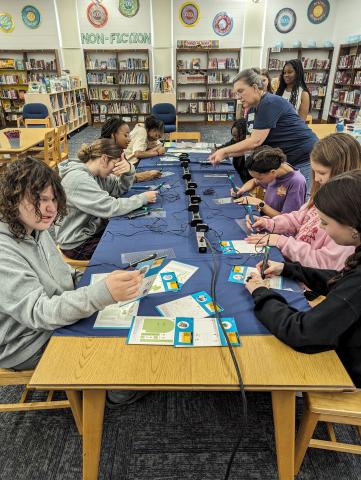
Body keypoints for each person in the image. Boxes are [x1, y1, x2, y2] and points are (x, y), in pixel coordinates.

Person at [0, 158, 142, 373]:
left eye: (54, 200)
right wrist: (100, 293)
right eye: (40, 200)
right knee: (123, 361)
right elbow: (40, 313)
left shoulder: (34, 227)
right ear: (12, 198)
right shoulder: (4, 250)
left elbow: (63, 275)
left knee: (124, 324)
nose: (50, 209)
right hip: (27, 344)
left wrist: (99, 283)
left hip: (51, 321)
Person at [245, 169, 361, 388]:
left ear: (353, 227)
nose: (323, 229)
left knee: (265, 356)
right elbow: (340, 279)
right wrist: (289, 269)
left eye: (325, 223)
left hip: (348, 368)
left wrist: (261, 293)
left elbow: (302, 332)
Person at [244, 133, 361, 270]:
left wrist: (282, 242)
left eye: (322, 173)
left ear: (343, 171)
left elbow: (324, 264)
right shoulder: (321, 196)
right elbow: (297, 218)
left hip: (306, 278)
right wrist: (268, 223)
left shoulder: (347, 220)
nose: (316, 179)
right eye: (314, 171)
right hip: (294, 265)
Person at [209, 69, 317, 184]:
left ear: (255, 88)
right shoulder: (252, 109)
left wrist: (224, 151)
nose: (238, 97)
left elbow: (255, 141)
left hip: (305, 159)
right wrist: (223, 153)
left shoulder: (269, 103)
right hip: (288, 160)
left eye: (241, 91)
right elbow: (249, 145)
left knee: (302, 199)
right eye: (236, 93)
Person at [57, 138, 158, 260]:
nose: (114, 169)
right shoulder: (79, 179)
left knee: (132, 233)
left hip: (91, 230)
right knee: (129, 249)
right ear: (104, 159)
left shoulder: (98, 174)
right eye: (115, 164)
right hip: (77, 243)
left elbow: (119, 189)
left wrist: (128, 171)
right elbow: (111, 207)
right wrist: (143, 198)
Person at [233, 145, 306, 216]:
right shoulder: (276, 168)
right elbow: (254, 181)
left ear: (273, 172)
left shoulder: (297, 182)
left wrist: (260, 203)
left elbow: (288, 220)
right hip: (267, 219)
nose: (258, 180)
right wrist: (241, 190)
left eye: (260, 178)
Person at [101, 117, 162, 182]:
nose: (129, 139)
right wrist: (147, 175)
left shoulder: (117, 150)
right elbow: (117, 180)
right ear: (113, 136)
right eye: (125, 135)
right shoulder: (107, 156)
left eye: (129, 135)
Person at [217, 118, 251, 183]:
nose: (234, 139)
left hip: (246, 180)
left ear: (244, 134)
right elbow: (224, 147)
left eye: (236, 136)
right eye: (233, 136)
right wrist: (217, 149)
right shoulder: (234, 141)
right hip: (237, 175)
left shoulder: (250, 146)